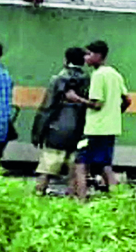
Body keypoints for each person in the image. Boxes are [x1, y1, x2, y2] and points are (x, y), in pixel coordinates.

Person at [72, 40, 128, 199]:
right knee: (105, 165)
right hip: (111, 128)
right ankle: (119, 199)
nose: (86, 57)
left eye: (89, 54)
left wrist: (76, 99)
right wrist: (115, 114)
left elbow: (97, 104)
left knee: (80, 164)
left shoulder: (97, 75)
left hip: (93, 129)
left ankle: (81, 202)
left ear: (98, 56)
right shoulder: (115, 74)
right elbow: (128, 100)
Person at [33, 47, 92, 195]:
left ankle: (38, 196)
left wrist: (37, 133)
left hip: (56, 130)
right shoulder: (87, 80)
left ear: (66, 60)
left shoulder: (57, 79)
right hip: (78, 130)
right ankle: (70, 200)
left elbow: (47, 108)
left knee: (47, 169)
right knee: (73, 171)